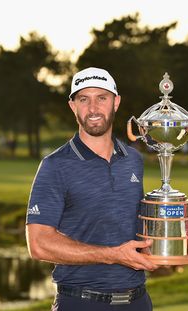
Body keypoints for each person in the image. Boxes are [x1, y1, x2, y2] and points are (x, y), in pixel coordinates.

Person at [26, 67, 158, 311]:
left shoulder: (132, 158)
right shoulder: (55, 166)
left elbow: (128, 224)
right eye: (84, 99)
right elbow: (39, 244)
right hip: (81, 302)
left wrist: (161, 244)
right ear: (73, 106)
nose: (93, 108)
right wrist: (113, 255)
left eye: (102, 98)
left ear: (116, 102)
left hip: (138, 302)